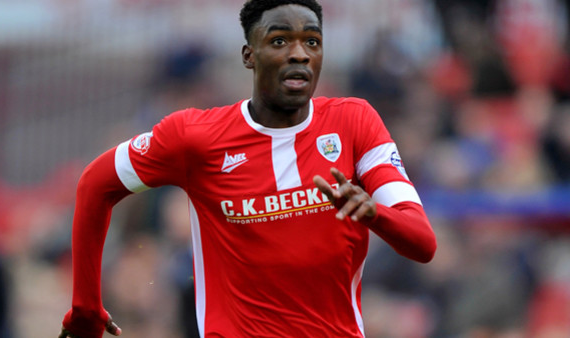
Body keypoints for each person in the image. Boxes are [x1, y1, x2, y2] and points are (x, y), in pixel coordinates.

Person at [59, 0, 437, 337]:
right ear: (248, 55)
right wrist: (86, 306)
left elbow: (422, 243)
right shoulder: (195, 137)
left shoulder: (354, 123)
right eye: (279, 41)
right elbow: (95, 184)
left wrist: (375, 214)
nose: (299, 54)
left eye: (312, 42)